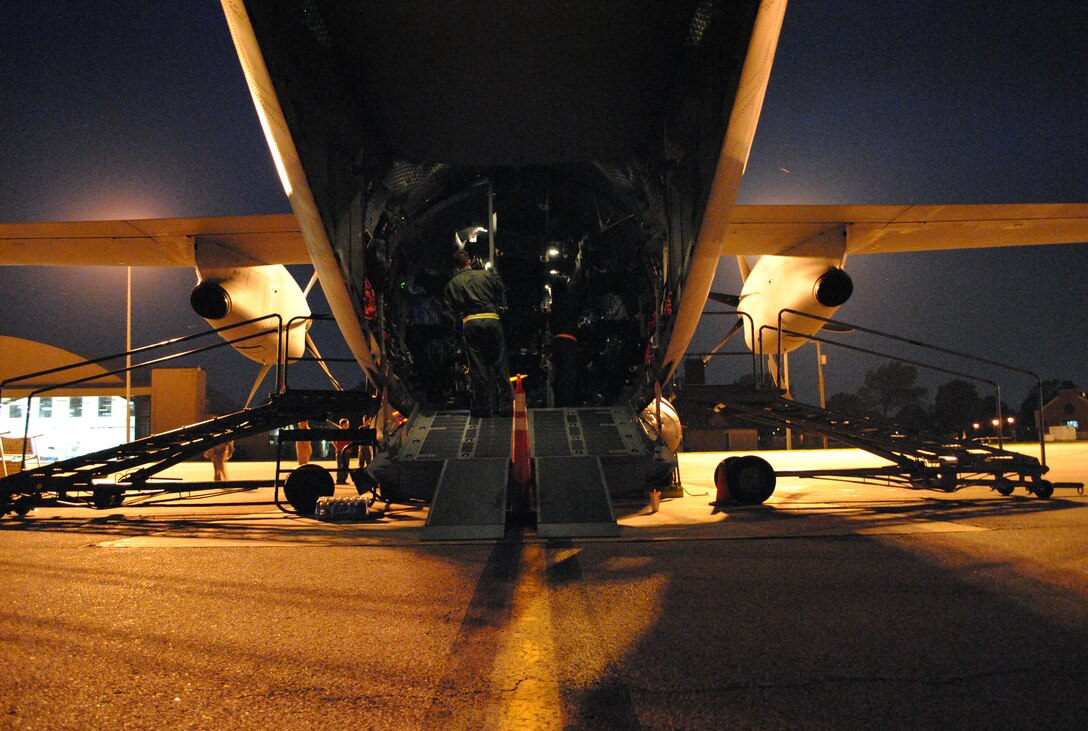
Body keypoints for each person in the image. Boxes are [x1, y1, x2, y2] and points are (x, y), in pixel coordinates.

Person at [442, 248, 514, 417]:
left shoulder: (453, 283)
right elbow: (501, 289)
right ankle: (506, 407)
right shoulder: (486, 275)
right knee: (499, 363)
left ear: (455, 267)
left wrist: (454, 329)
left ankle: (483, 408)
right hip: (491, 319)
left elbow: (447, 311)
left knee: (478, 366)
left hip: (471, 323)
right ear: (469, 261)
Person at [333, 418, 355, 484]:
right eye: (346, 424)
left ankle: (344, 479)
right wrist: (336, 448)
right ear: (342, 425)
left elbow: (351, 441)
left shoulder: (349, 432)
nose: (347, 425)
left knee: (346, 465)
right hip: (340, 451)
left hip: (347, 451)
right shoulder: (338, 432)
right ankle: (339, 479)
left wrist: (350, 448)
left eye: (347, 424)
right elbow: (333, 441)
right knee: (340, 465)